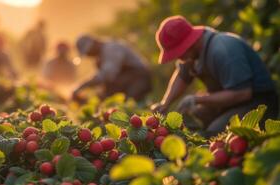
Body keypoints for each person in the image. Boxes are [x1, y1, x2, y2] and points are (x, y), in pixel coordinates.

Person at [151, 15, 279, 136]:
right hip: (228, 101)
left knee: (214, 133)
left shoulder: (223, 50)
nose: (178, 57)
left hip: (257, 102)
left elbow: (242, 93)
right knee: (188, 121)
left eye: (179, 52)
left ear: (189, 42)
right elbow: (182, 75)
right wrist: (165, 103)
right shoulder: (192, 53)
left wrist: (197, 99)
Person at [72, 35, 152, 101]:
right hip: (127, 79)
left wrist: (82, 86)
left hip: (138, 78)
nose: (89, 56)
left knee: (129, 103)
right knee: (104, 95)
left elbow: (107, 74)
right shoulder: (100, 57)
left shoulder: (112, 49)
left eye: (89, 52)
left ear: (95, 43)